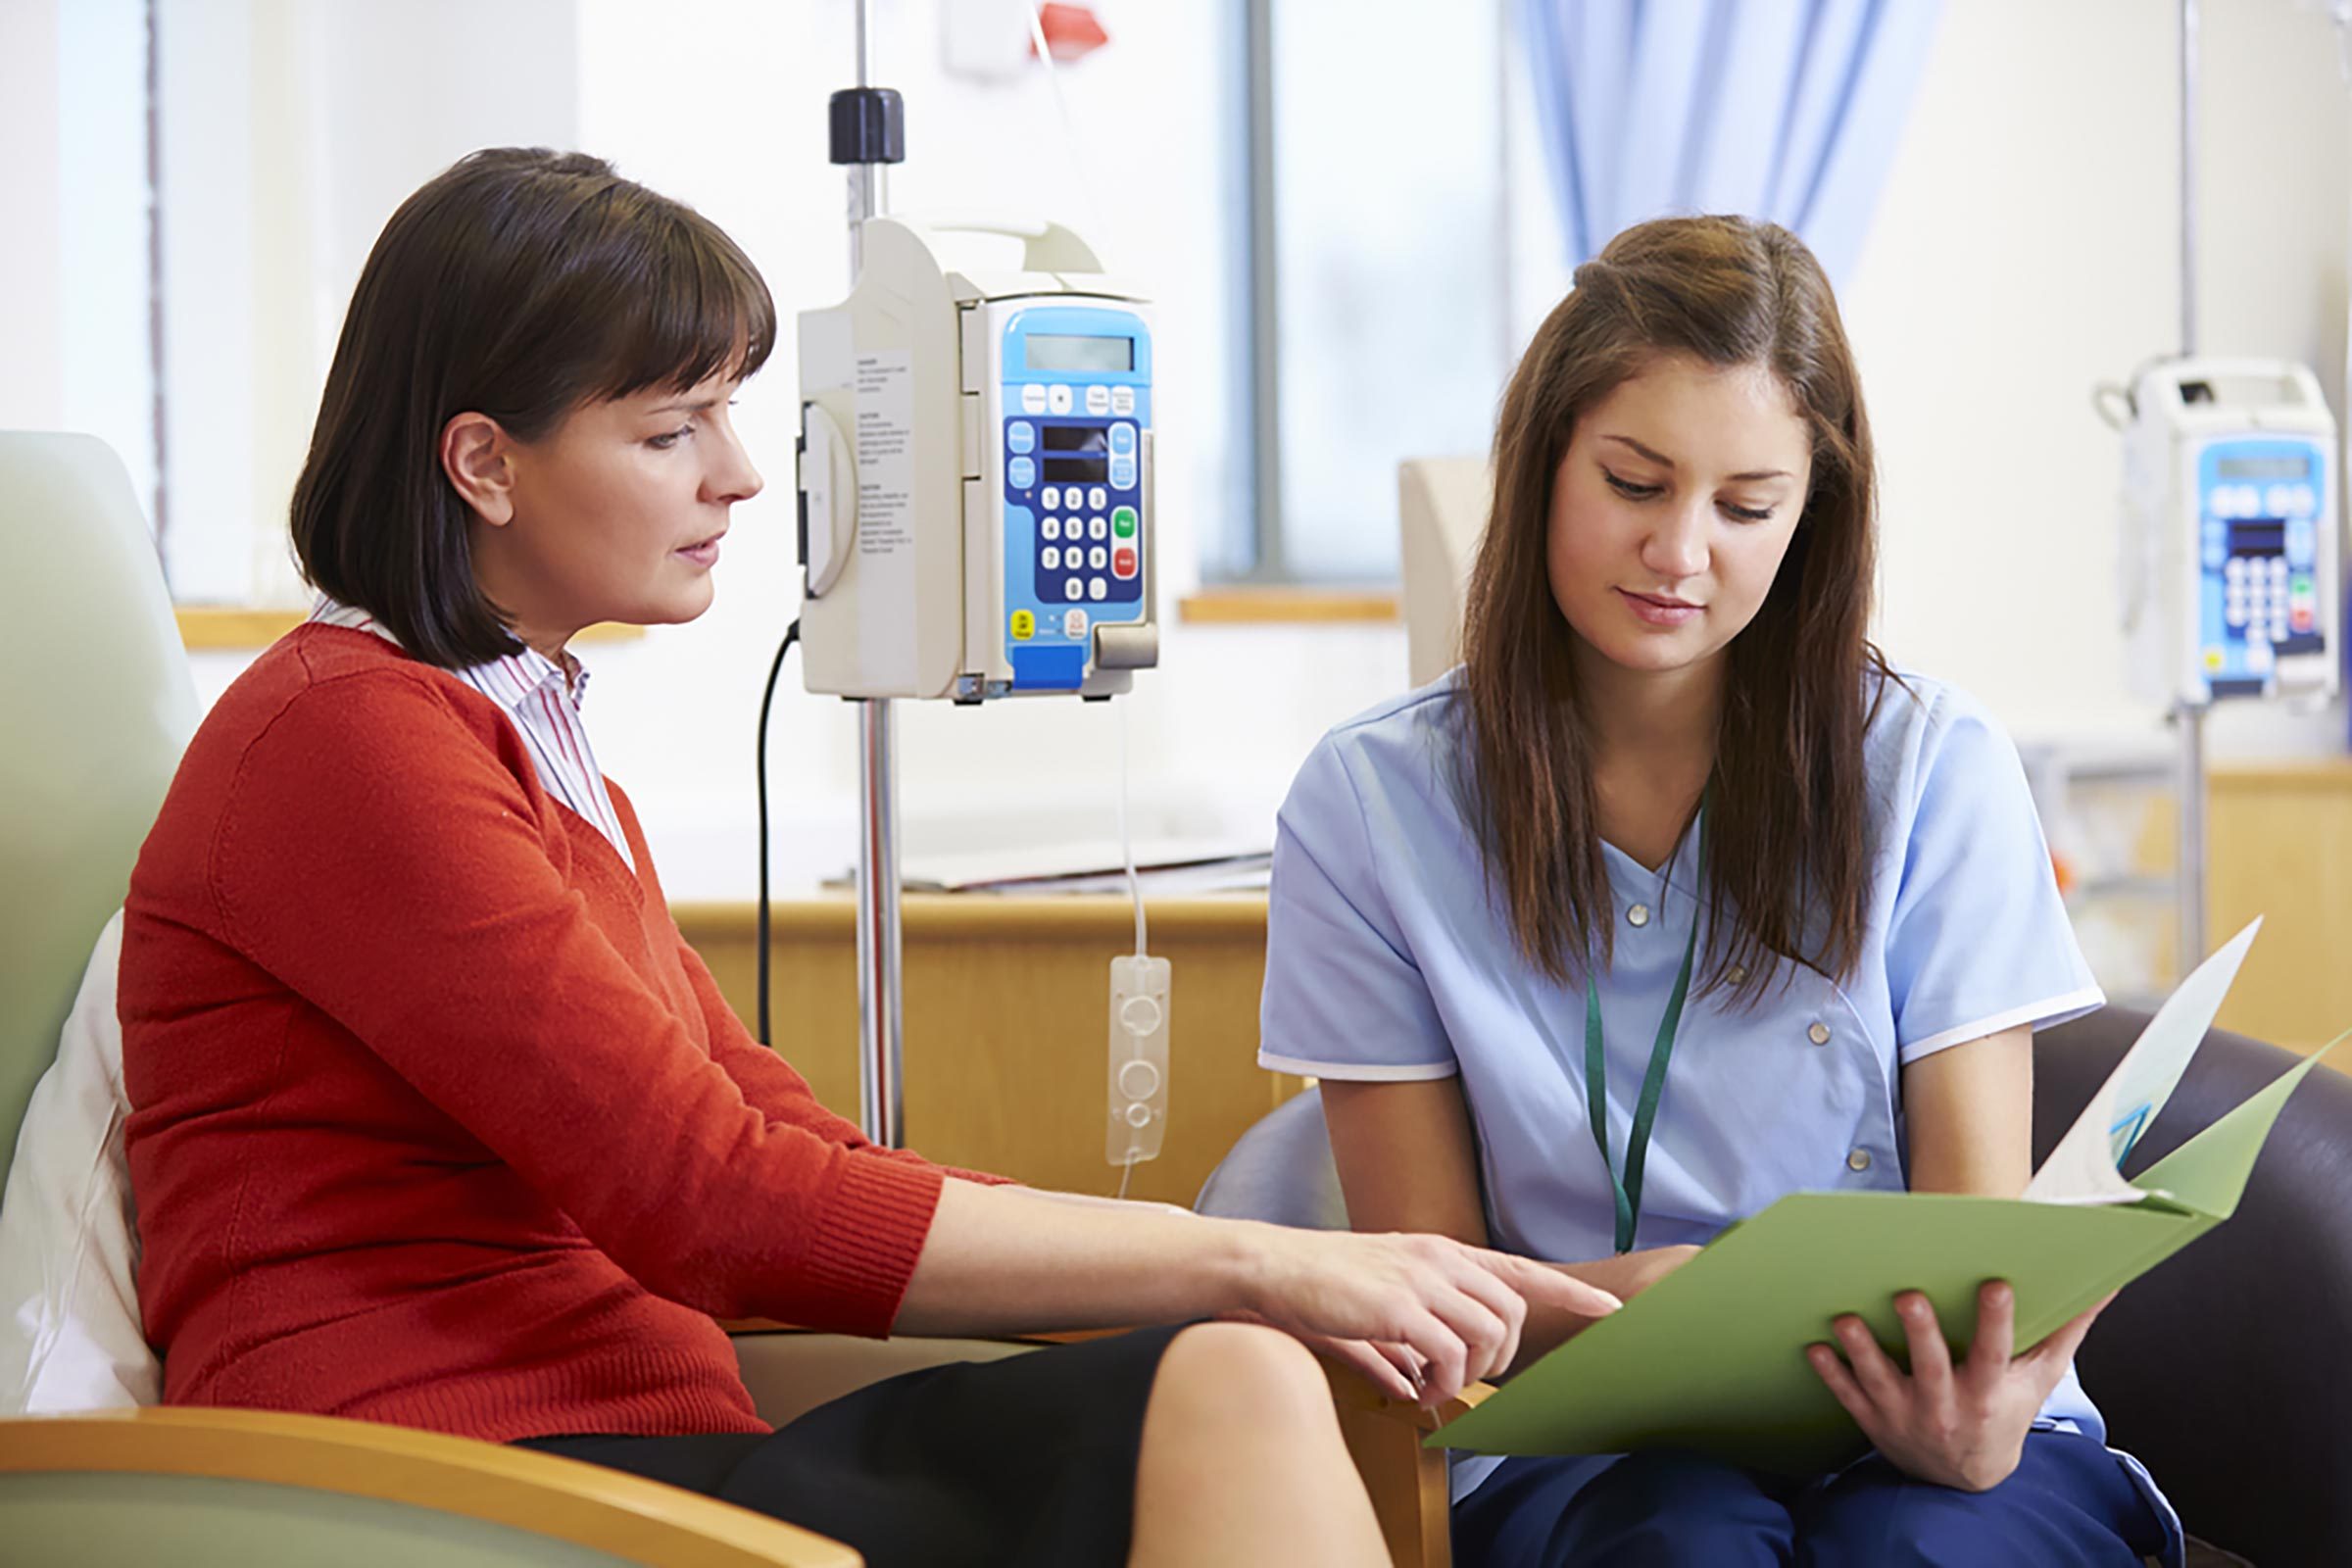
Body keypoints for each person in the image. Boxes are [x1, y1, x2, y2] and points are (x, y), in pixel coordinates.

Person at [118, 147, 1618, 1568]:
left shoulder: (536, 750)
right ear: (482, 464)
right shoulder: (345, 742)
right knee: (1230, 1379)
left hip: (625, 1440)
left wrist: (1363, 1281)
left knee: (1239, 1371)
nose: (738, 475)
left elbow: (789, 1144)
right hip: (419, 1482)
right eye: (671, 431)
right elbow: (709, 1199)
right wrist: (1249, 1258)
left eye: (726, 414)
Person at [1257, 215, 2181, 1567]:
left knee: (1915, 1553)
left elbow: (1975, 1251)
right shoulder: (1371, 806)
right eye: (1635, 483)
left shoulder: (1931, 766)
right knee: (1680, 1544)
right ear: (1543, 463)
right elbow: (1425, 1291)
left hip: (1933, 1434)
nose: (1681, 551)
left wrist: (1980, 1415)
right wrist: (1633, 1304)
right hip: (1588, 1434)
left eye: (1747, 508)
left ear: (1810, 518)